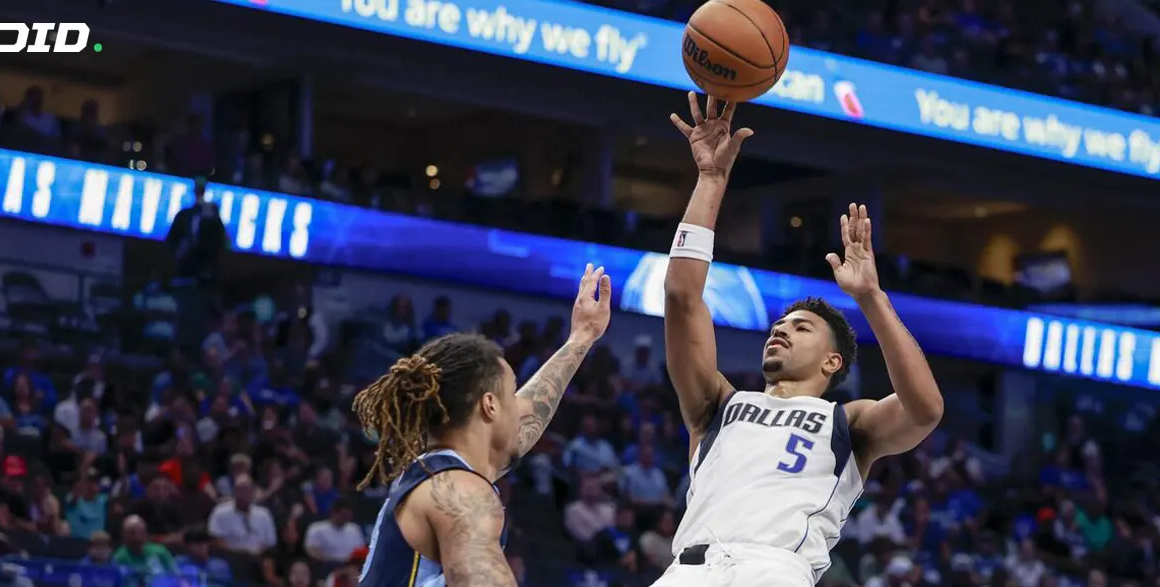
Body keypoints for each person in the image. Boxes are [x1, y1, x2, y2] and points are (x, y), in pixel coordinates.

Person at [653, 93, 945, 587]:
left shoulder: (848, 422)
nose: (781, 330)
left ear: (833, 362)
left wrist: (871, 297)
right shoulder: (717, 405)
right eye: (779, 326)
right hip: (687, 569)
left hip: (772, 570)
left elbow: (924, 410)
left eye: (800, 327)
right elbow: (682, 297)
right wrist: (710, 180)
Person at [354, 264, 612, 587]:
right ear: (489, 406)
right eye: (511, 394)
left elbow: (532, 413)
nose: (520, 408)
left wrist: (581, 338)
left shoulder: (437, 474)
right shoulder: (463, 492)